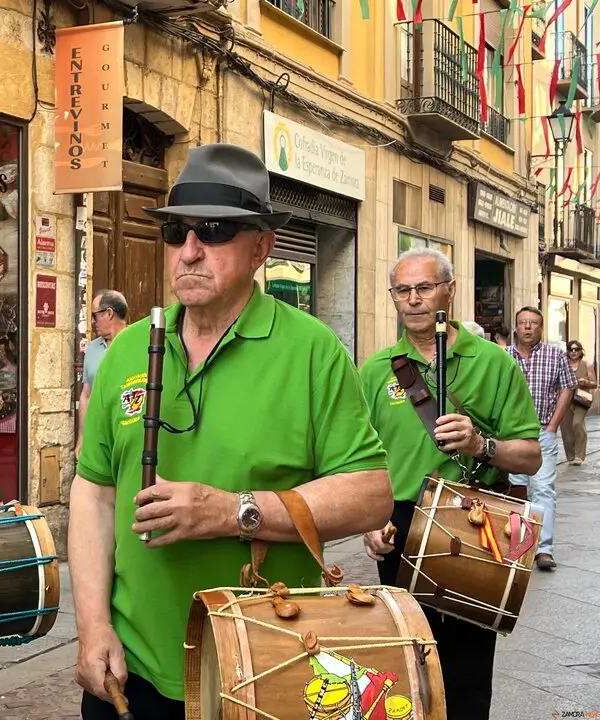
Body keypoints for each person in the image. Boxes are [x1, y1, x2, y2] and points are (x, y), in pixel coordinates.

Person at [69, 143, 393, 720]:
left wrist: (230, 511)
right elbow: (94, 493)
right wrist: (92, 626)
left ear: (262, 248)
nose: (189, 252)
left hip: (265, 665)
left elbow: (370, 494)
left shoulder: (312, 350)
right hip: (133, 668)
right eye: (177, 234)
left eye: (214, 231)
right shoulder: (124, 351)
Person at [359, 248, 541, 720]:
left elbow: (531, 456)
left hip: (473, 519)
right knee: (406, 662)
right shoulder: (376, 371)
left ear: (450, 291)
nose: (414, 299)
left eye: (425, 288)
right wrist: (370, 521)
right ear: (393, 298)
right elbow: (360, 462)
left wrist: (482, 445)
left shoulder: (493, 363)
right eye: (403, 290)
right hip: (400, 521)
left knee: (468, 666)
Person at [507, 307, 577, 570]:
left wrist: (553, 426)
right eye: (523, 323)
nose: (528, 327)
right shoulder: (503, 357)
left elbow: (567, 387)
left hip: (542, 432)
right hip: (511, 435)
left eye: (533, 323)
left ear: (541, 327)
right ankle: (518, 547)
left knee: (544, 489)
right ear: (516, 327)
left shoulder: (554, 355)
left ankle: (543, 550)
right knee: (516, 491)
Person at [75, 289, 128, 456]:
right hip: (97, 438)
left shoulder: (137, 343)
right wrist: (82, 438)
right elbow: (86, 395)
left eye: (95, 315)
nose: (92, 321)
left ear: (109, 313)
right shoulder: (91, 349)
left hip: (125, 437)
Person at [560, 339, 597, 466]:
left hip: (582, 400)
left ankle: (579, 455)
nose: (574, 352)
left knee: (577, 424)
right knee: (566, 428)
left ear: (581, 351)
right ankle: (570, 456)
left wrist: (585, 382)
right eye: (571, 349)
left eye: (577, 349)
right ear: (568, 352)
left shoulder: (586, 365)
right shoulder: (563, 364)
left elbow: (594, 383)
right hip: (565, 400)